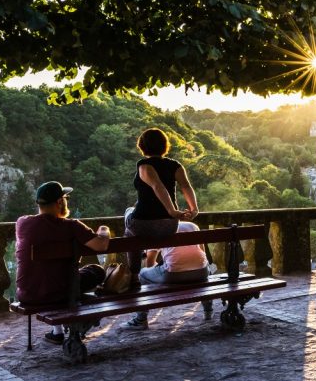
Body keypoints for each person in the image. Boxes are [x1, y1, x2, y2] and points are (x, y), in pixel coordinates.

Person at [120, 127, 199, 330]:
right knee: (132, 219)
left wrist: (173, 210)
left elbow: (157, 187)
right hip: (168, 227)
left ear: (142, 146)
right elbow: (186, 186)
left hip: (143, 225)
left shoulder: (144, 165)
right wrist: (193, 208)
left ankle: (134, 273)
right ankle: (143, 266)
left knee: (129, 215)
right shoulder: (175, 165)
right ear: (165, 146)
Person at [15, 181, 111, 345]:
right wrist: (104, 231)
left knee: (49, 274)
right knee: (96, 271)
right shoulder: (71, 226)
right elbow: (101, 245)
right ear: (60, 202)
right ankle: (73, 324)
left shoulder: (22, 223)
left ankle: (57, 332)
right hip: (59, 294)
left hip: (28, 294)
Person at [139, 220, 215, 319]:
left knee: (142, 273)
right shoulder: (192, 225)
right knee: (202, 268)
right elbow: (202, 254)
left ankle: (141, 318)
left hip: (173, 275)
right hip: (202, 272)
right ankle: (208, 310)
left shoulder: (159, 230)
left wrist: (160, 269)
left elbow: (150, 262)